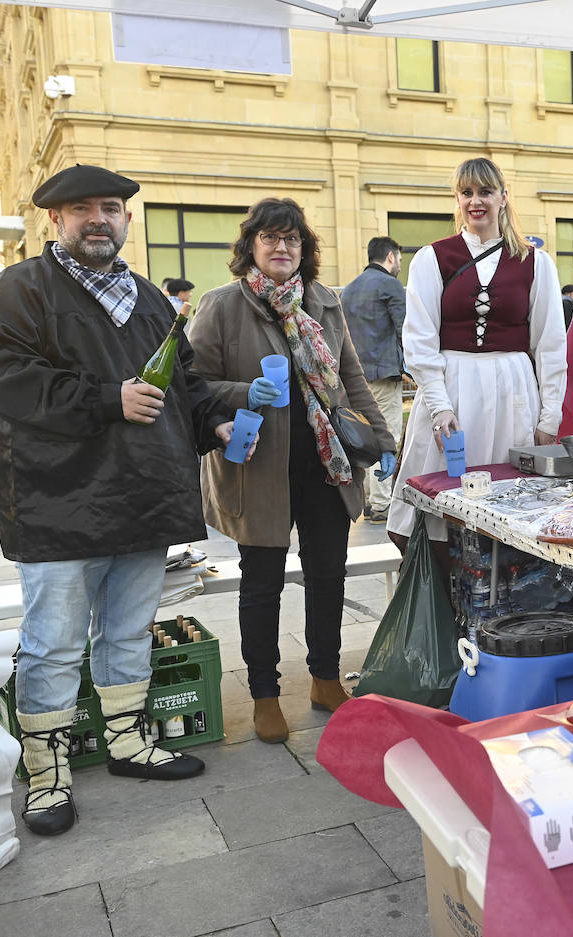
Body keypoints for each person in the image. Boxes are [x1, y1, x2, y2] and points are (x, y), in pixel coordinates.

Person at [0, 165, 239, 835]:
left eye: (112, 207)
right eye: (82, 208)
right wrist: (106, 399)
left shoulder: (150, 298)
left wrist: (215, 419)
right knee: (54, 645)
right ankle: (47, 770)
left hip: (143, 497)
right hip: (60, 502)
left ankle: (127, 739)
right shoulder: (21, 289)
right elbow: (7, 382)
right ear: (55, 221)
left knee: (126, 631)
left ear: (126, 220)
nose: (99, 217)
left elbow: (184, 379)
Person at [189, 197, 397, 744]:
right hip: (258, 468)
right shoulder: (221, 306)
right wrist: (242, 393)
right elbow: (192, 386)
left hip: (327, 464)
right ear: (251, 247)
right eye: (271, 238)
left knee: (327, 574)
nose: (282, 248)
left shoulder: (324, 303)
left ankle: (325, 679)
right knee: (262, 584)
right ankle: (264, 694)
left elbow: (350, 379)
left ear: (304, 250)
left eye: (293, 240)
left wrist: (382, 439)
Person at [387, 157, 567, 551]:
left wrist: (549, 417)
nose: (476, 201)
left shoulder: (536, 262)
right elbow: (419, 339)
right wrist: (439, 406)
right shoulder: (432, 258)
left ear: (503, 197)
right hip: (452, 390)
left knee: (510, 504)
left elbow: (550, 345)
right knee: (440, 501)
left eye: (485, 191)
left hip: (513, 391)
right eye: (466, 193)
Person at [340, 235, 407, 524]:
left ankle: (368, 499)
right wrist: (415, 369)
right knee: (387, 435)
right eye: (400, 260)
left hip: (354, 378)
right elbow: (406, 329)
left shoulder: (349, 288)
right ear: (390, 257)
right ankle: (382, 503)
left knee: (362, 437)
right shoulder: (391, 285)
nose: (400, 266)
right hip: (384, 374)